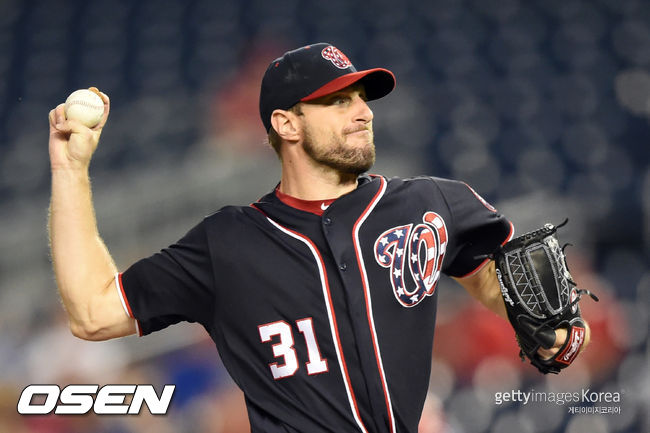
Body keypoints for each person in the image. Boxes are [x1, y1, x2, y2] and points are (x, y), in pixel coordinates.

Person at [48, 43, 589, 432]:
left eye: (361, 98)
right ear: (286, 124)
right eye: (337, 102)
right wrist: (70, 171)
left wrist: (545, 327)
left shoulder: (429, 204)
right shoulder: (227, 243)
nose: (362, 112)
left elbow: (491, 276)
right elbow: (93, 313)